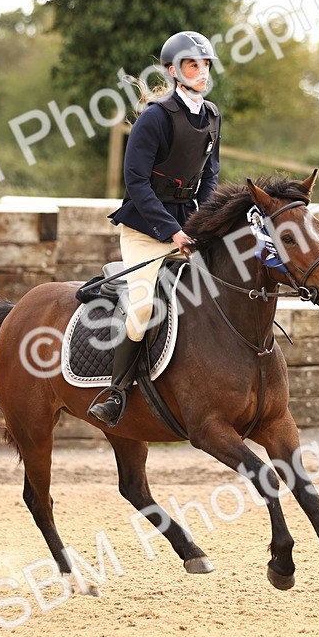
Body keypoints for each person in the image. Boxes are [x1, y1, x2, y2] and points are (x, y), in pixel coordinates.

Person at [87, 30, 222, 428]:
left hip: (187, 225)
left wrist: (201, 224)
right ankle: (116, 393)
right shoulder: (155, 118)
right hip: (145, 229)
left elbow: (211, 178)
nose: (201, 72)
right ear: (173, 71)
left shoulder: (212, 116)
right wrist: (171, 231)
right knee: (144, 308)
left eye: (205, 65)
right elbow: (136, 182)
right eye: (192, 65)